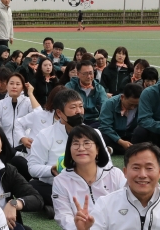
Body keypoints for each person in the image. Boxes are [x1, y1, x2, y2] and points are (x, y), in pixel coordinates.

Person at [52, 125, 126, 230]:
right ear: (69, 149)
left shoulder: (114, 174)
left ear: (98, 149)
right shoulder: (61, 180)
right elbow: (63, 215)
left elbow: (127, 206)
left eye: (87, 143)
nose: (81, 148)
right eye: (75, 143)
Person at [27, 89, 109, 217]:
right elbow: (32, 168)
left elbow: (107, 164)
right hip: (57, 185)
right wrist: (51, 170)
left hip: (88, 184)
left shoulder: (94, 133)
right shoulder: (45, 135)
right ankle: (67, 205)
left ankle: (55, 206)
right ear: (59, 113)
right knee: (33, 185)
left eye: (80, 106)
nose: (78, 111)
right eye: (73, 107)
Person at [0, 73, 34, 155]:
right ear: (7, 86)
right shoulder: (0, 104)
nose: (14, 86)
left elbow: (39, 116)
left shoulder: (28, 102)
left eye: (18, 84)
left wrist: (31, 94)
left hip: (25, 147)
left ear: (23, 87)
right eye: (11, 83)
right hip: (5, 148)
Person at [98, 83, 143, 155]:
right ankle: (132, 149)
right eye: (130, 104)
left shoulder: (142, 104)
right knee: (100, 137)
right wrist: (120, 141)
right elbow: (105, 127)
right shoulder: (109, 104)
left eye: (136, 105)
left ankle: (111, 149)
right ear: (122, 97)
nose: (133, 107)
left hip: (130, 135)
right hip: (114, 135)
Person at [65, 60, 107, 127]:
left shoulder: (99, 88)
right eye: (85, 74)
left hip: (94, 120)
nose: (89, 76)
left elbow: (105, 107)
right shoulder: (70, 86)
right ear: (78, 74)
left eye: (91, 73)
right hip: (75, 119)